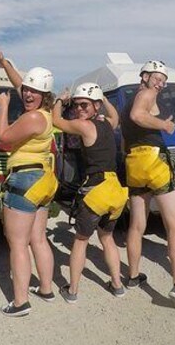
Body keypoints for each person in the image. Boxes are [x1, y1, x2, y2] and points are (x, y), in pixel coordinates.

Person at [0, 52, 59, 318]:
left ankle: (20, 302)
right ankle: (46, 288)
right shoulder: (45, 112)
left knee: (18, 243)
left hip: (24, 180)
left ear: (45, 94)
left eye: (34, 92)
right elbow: (19, 82)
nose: (28, 94)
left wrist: (3, 106)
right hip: (43, 180)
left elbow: (3, 137)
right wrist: (4, 63)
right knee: (38, 238)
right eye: (27, 90)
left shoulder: (31, 118)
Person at [121, 61, 175, 310]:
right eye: (157, 77)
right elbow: (137, 116)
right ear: (145, 76)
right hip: (155, 160)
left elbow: (128, 130)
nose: (160, 83)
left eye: (163, 79)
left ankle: (132, 276)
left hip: (134, 163)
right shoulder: (146, 94)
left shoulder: (128, 100)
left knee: (137, 224)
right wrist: (165, 125)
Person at [52, 82, 128, 305]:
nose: (78, 109)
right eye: (76, 106)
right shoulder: (108, 125)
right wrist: (103, 99)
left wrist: (59, 100)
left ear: (94, 106)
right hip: (115, 191)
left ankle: (72, 290)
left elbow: (56, 121)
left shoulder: (85, 126)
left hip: (96, 190)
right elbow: (116, 116)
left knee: (81, 240)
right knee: (107, 238)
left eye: (84, 105)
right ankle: (117, 285)